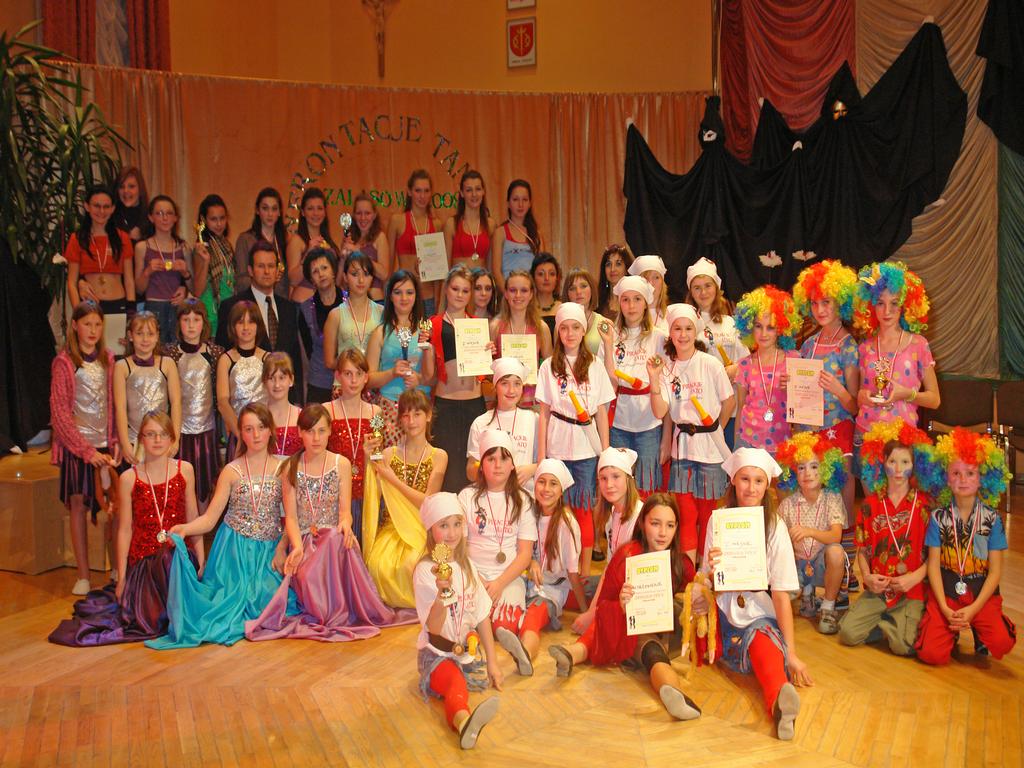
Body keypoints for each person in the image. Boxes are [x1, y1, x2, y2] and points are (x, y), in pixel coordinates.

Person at [246, 404, 415, 641]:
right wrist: (296, 546)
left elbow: (345, 512)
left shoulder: (340, 464)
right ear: (300, 433)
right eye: (310, 431)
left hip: (333, 536)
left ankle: (339, 611)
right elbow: (291, 518)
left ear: (329, 433)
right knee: (307, 575)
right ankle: (326, 611)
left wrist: (346, 523)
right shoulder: (290, 467)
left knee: (338, 537)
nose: (316, 438)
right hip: (305, 540)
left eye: (321, 431)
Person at [146, 404, 297, 649]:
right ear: (240, 433)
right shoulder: (231, 470)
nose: (256, 435)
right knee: (224, 605)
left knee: (271, 603)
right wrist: (185, 529)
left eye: (261, 427)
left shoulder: (284, 468)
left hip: (268, 551)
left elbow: (292, 517)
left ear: (271, 430)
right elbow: (210, 518)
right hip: (233, 553)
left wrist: (281, 548)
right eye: (249, 429)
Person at [49, 412, 203, 646]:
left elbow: (193, 518)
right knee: (149, 603)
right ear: (141, 439)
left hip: (179, 559)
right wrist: (122, 578)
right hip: (144, 561)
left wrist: (201, 561)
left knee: (170, 559)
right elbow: (124, 530)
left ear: (172, 439)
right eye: (150, 434)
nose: (157, 440)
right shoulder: (130, 478)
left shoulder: (185, 470)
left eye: (163, 434)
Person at [547, 494, 701, 722]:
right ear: (643, 523)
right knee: (650, 652)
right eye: (655, 523)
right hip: (630, 627)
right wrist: (620, 605)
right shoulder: (627, 555)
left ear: (676, 528)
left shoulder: (679, 562)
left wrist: (702, 592)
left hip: (663, 629)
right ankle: (673, 692)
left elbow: (697, 594)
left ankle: (674, 695)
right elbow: (604, 606)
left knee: (654, 648)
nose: (662, 533)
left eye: (670, 525)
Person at [694, 448, 812, 741]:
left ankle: (780, 702)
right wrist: (713, 572)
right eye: (745, 479)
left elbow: (781, 595)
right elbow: (707, 580)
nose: (751, 488)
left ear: (767, 485)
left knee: (764, 647)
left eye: (758, 481)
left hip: (758, 612)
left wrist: (791, 653)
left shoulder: (775, 527)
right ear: (733, 480)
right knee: (701, 644)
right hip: (722, 611)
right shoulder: (718, 520)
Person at [915, 428, 1016, 664]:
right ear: (945, 478)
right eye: (956, 473)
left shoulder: (992, 520)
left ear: (982, 478)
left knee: (1002, 643)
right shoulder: (938, 518)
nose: (963, 480)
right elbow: (933, 566)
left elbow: (995, 573)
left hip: (980, 593)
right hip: (947, 592)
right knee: (931, 654)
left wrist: (973, 610)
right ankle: (949, 631)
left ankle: (981, 629)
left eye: (970, 473)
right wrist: (943, 606)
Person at [413, 493, 502, 750]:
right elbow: (434, 628)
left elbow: (482, 616)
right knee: (455, 684)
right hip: (436, 654)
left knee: (458, 680)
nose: (452, 533)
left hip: (465, 653)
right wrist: (442, 594)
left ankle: (466, 724)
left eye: (457, 524)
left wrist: (493, 662)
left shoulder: (468, 566)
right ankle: (464, 723)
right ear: (431, 531)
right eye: (444, 525)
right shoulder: (426, 571)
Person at [792, 259, 861, 592]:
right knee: (817, 502)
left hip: (840, 433)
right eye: (815, 302)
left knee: (842, 504)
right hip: (812, 435)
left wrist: (838, 389)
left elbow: (855, 405)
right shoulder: (808, 345)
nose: (820, 309)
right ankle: (820, 570)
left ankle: (848, 570)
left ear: (841, 303)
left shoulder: (850, 347)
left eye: (827, 302)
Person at [838, 418, 933, 656]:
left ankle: (897, 623)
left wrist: (914, 578)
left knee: (903, 647)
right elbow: (863, 550)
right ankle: (888, 623)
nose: (898, 469)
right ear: (882, 462)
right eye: (893, 461)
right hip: (878, 590)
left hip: (911, 591)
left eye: (905, 462)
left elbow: (934, 555)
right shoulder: (870, 504)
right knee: (848, 634)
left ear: (914, 465)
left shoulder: (924, 505)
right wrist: (867, 576)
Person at [648, 303, 734, 562]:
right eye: (677, 329)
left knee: (708, 515)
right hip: (683, 451)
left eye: (688, 329)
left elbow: (729, 401)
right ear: (670, 333)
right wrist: (654, 379)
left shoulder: (710, 364)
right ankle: (687, 574)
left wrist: (715, 429)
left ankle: (705, 571)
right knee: (686, 516)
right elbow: (660, 410)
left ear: (694, 331)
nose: (683, 334)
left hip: (710, 453)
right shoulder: (667, 368)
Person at [536, 302, 614, 580]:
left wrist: (605, 451)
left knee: (583, 510)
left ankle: (584, 572)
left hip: (586, 449)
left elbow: (601, 411)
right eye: (564, 328)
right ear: (558, 332)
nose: (570, 334)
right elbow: (544, 413)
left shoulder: (595, 366)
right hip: (557, 446)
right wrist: (542, 456)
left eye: (575, 328)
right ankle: (558, 568)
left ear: (584, 331)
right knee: (557, 511)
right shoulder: (548, 366)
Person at [50, 301, 120, 595]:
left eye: (97, 324)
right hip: (78, 448)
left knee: (113, 507)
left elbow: (115, 404)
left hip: (106, 446)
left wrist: (114, 441)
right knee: (78, 505)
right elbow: (60, 413)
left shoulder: (109, 359)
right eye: (87, 324)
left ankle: (117, 567)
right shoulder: (65, 362)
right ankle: (83, 574)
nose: (92, 330)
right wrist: (86, 451)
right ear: (75, 326)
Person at [493, 459, 586, 675]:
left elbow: (573, 574)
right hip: (532, 584)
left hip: (557, 588)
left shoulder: (567, 523)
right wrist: (532, 562)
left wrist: (585, 611)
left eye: (553, 484)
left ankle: (524, 653)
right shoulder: (529, 514)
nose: (546, 489)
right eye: (541, 482)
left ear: (561, 491)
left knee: (535, 615)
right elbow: (523, 551)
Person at [852, 261, 940, 485]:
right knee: (873, 503)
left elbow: (934, 399)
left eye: (894, 303)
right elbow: (859, 396)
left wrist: (907, 394)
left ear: (905, 305)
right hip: (866, 435)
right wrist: (862, 396)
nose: (887, 311)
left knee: (899, 503)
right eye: (880, 303)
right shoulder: (864, 348)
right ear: (871, 305)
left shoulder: (918, 344)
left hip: (902, 441)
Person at [363, 389, 446, 607]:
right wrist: (368, 460)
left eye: (417, 414)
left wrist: (393, 479)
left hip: (423, 527)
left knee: (413, 563)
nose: (411, 421)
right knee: (378, 564)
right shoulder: (388, 454)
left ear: (428, 415)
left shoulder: (439, 456)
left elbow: (428, 502)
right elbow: (375, 493)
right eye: (406, 415)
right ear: (400, 419)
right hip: (392, 528)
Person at [458, 430, 537, 642]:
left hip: (508, 577)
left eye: (504, 459)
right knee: (461, 622)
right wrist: (479, 581)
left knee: (506, 625)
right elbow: (460, 549)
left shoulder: (523, 500)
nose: (497, 465)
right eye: (491, 459)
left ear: (512, 464)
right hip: (473, 575)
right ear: (481, 465)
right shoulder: (467, 497)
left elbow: (525, 554)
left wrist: (499, 583)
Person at [775, 432, 848, 634]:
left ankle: (828, 607)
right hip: (797, 566)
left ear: (826, 470)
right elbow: (775, 539)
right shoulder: (787, 504)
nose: (807, 473)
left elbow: (836, 536)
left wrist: (809, 532)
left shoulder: (832, 498)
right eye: (801, 467)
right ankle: (806, 593)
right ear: (792, 473)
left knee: (836, 551)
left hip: (821, 564)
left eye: (814, 466)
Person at [216, 239, 305, 403]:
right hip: (245, 400)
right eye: (261, 266)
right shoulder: (232, 307)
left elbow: (294, 357)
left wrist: (298, 399)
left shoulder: (289, 308)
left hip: (283, 400)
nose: (267, 271)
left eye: (271, 266)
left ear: (277, 270)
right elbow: (224, 351)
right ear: (250, 270)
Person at [598, 275, 663, 494]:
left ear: (646, 303)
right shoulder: (610, 337)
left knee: (647, 483)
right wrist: (608, 345)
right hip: (619, 422)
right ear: (619, 303)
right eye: (625, 300)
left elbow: (664, 383)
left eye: (637, 299)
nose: (631, 305)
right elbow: (608, 384)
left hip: (649, 422)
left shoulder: (659, 338)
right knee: (620, 484)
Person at [429, 265, 490, 492]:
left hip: (474, 403)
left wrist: (488, 353)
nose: (460, 295)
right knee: (445, 465)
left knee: (473, 465)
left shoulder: (477, 325)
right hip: (446, 404)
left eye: (465, 290)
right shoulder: (434, 324)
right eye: (455, 289)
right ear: (446, 289)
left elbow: (486, 372)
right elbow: (428, 374)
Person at [572, 447, 643, 633]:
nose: (609, 484)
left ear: (628, 479)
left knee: (605, 612)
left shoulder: (640, 517)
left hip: (634, 589)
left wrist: (593, 613)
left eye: (615, 477)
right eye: (603, 478)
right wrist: (590, 610)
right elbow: (609, 568)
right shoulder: (612, 515)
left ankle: (585, 641)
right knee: (579, 587)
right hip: (617, 580)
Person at [161, 299, 223, 506]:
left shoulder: (214, 353)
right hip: (179, 431)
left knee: (206, 484)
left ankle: (204, 521)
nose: (191, 325)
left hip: (207, 430)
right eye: (186, 320)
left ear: (204, 323)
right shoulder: (169, 354)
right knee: (181, 484)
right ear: (178, 323)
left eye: (196, 320)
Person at [65, 186, 135, 357]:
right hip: (90, 307)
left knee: (117, 355)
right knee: (91, 357)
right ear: (87, 206)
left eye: (106, 206)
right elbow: (71, 282)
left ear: (113, 208)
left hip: (117, 304)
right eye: (96, 206)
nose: (101, 211)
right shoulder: (77, 239)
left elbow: (129, 279)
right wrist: (79, 312)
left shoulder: (122, 238)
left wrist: (131, 312)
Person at [366, 270, 434, 446]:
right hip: (389, 408)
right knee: (389, 459)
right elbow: (368, 379)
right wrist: (392, 373)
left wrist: (419, 379)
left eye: (409, 292)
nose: (404, 298)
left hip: (419, 408)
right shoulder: (380, 333)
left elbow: (433, 378)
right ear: (390, 296)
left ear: (416, 296)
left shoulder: (426, 331)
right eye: (398, 292)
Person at [685, 257, 747, 447]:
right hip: (698, 407)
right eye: (697, 288)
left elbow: (747, 361)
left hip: (729, 408)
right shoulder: (686, 323)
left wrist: (736, 368)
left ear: (717, 288)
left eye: (708, 286)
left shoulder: (730, 323)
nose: (703, 292)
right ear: (690, 291)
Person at [732, 285, 802, 454]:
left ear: (781, 329)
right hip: (748, 442)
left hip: (782, 443)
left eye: (770, 327)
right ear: (749, 327)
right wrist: (737, 450)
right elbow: (741, 408)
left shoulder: (793, 360)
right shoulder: (744, 365)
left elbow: (803, 405)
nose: (763, 333)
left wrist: (792, 389)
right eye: (758, 326)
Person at [113, 311, 182, 466]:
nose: (145, 339)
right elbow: (120, 408)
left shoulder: (167, 364)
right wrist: (125, 443)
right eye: (139, 334)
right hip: (134, 440)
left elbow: (176, 403)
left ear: (157, 336)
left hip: (162, 440)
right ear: (130, 336)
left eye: (150, 334)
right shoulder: (122, 367)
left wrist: (175, 439)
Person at [326, 348, 380, 544]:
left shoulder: (376, 412)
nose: (354, 380)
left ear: (366, 377)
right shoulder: (327, 411)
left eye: (359, 373)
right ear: (338, 376)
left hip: (366, 492)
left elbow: (378, 455)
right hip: (336, 496)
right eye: (348, 374)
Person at [467, 358, 538, 485]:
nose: (511, 390)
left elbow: (545, 460)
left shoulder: (533, 419)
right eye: (505, 383)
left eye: (517, 384)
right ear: (495, 387)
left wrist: (533, 469)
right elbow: (470, 471)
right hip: (491, 492)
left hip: (525, 492)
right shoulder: (481, 423)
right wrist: (488, 471)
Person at [490, 270, 552, 409]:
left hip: (534, 402)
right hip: (504, 402)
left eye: (523, 290)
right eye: (513, 290)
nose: (518, 295)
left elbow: (550, 367)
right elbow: (487, 368)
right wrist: (488, 355)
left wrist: (537, 373)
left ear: (531, 294)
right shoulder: (495, 327)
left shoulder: (541, 328)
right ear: (506, 294)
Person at [216, 300, 269, 461]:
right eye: (240, 322)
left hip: (265, 434)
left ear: (258, 325)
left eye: (251, 322)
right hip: (238, 434)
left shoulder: (267, 358)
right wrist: (241, 434)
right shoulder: (226, 360)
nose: (246, 327)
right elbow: (223, 401)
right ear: (233, 327)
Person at [134, 195, 192, 343]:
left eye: (169, 213)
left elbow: (194, 288)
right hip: (153, 307)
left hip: (177, 308)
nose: (165, 218)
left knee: (177, 351)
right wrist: (148, 271)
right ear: (151, 217)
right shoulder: (142, 247)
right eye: (159, 213)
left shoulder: (184, 247)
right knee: (154, 349)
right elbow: (139, 289)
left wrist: (185, 274)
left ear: (175, 218)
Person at [324, 252, 384, 387]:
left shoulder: (382, 312)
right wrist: (352, 368)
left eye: (366, 274)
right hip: (344, 386)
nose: (361, 280)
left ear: (372, 278)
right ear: (345, 277)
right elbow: (329, 361)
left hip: (372, 386)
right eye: (355, 274)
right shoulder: (335, 315)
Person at [388, 169, 443, 313]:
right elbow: (389, 265)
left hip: (428, 297)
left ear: (431, 193)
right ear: (409, 192)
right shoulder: (397, 221)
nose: (422, 196)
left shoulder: (437, 224)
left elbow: (438, 272)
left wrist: (438, 300)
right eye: (418, 191)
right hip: (404, 297)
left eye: (426, 191)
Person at [296, 247, 343, 403]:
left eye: (324, 268)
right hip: (318, 382)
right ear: (311, 279)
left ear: (333, 271)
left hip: (349, 381)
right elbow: (308, 350)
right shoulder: (305, 309)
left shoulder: (351, 302)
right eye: (315, 271)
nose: (321, 274)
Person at [286, 187, 340, 305]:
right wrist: (308, 255)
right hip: (304, 305)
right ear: (303, 212)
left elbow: (337, 280)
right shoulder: (297, 241)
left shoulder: (329, 242)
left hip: (328, 304)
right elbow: (293, 280)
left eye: (319, 208)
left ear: (325, 212)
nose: (316, 213)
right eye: (310, 209)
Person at [192, 194, 235, 337]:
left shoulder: (226, 245)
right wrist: (205, 261)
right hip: (211, 314)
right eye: (213, 219)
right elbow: (197, 291)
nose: (219, 224)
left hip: (227, 311)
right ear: (203, 220)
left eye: (222, 218)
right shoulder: (201, 248)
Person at [233, 187, 290, 297]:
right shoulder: (245, 240)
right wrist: (266, 280)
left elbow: (288, 281)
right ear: (257, 210)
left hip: (279, 301)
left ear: (279, 212)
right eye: (265, 208)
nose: (270, 214)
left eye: (274, 209)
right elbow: (240, 281)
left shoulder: (285, 240)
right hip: (253, 301)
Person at [490, 179, 541, 286]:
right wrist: (508, 293)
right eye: (515, 199)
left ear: (530, 203)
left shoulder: (536, 235)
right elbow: (496, 272)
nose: (520, 204)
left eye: (525, 200)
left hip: (530, 293)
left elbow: (541, 269)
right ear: (508, 203)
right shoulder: (500, 233)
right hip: (508, 292)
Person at [341, 193, 390, 302]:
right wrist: (343, 257)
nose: (363, 218)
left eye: (367, 213)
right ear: (354, 215)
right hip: (353, 301)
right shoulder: (349, 238)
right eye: (359, 213)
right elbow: (341, 280)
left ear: (374, 215)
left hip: (375, 301)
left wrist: (358, 253)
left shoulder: (380, 237)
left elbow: (384, 274)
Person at [444, 170, 494, 272]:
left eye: (478, 189)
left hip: (481, 281)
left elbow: (490, 266)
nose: (474, 194)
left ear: (483, 191)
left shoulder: (491, 224)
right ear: (462, 193)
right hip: (458, 280)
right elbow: (446, 266)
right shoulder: (451, 224)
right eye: (469, 190)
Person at [262, 352, 302, 456]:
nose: (277, 385)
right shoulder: (257, 416)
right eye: (271, 378)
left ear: (291, 380)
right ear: (264, 382)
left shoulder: (302, 416)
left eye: (282, 378)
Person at [561, 267, 608, 357]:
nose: (578, 292)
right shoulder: (561, 325)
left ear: (592, 289)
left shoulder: (604, 323)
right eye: (572, 288)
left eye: (583, 286)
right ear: (567, 294)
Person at [628, 255, 668, 333]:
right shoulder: (628, 316)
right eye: (645, 278)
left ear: (662, 283)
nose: (651, 283)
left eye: (656, 277)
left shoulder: (671, 314)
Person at [596, 244, 634, 319]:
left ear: (627, 268)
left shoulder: (635, 300)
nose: (612, 269)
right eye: (608, 264)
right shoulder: (597, 301)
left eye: (618, 264)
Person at [112, 166, 148, 242]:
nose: (126, 191)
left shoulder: (151, 216)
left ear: (140, 189)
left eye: (131, 186)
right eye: (121, 187)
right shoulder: (110, 217)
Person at [531, 252, 562, 338]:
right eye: (541, 274)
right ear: (533, 278)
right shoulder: (526, 309)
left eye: (552, 274)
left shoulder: (563, 308)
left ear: (557, 278)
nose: (547, 278)